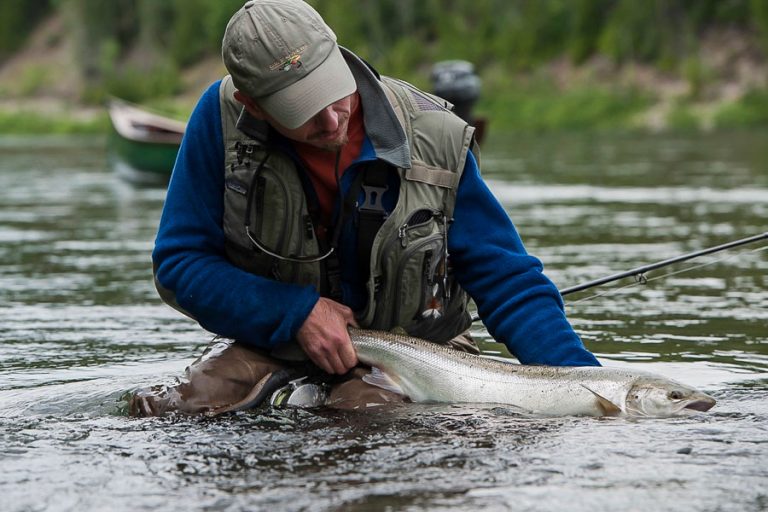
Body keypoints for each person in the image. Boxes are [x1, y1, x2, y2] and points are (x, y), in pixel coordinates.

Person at [129, 0, 599, 417]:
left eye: (334, 92)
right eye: (303, 109)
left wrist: (587, 386)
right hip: (276, 340)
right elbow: (179, 265)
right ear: (253, 104)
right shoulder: (219, 122)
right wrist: (296, 314)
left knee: (362, 423)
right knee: (165, 411)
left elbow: (507, 279)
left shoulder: (436, 135)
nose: (332, 119)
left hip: (423, 352)